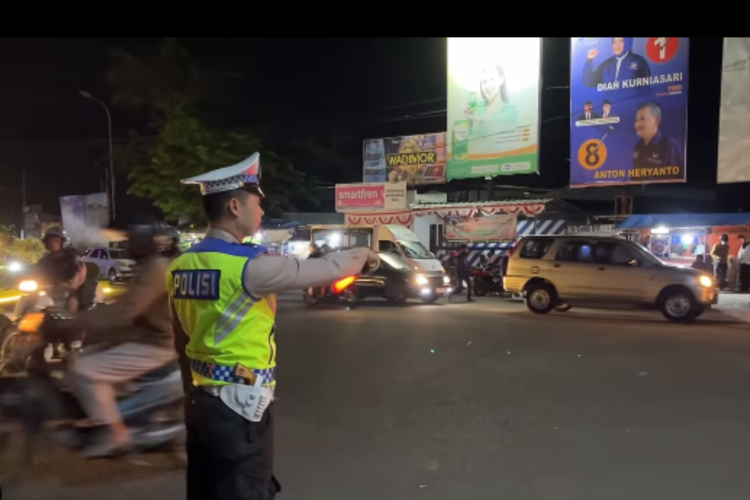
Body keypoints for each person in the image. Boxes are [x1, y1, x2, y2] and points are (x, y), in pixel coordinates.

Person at [167, 152, 379, 500]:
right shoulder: (250, 266)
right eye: (257, 203)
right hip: (240, 404)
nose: (262, 212)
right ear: (235, 207)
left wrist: (191, 391)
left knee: (204, 489)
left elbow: (180, 339)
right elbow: (328, 269)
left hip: (200, 401)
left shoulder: (180, 265)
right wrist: (364, 255)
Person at [66, 222, 180, 458]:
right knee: (85, 354)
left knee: (83, 369)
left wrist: (76, 320)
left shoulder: (155, 270)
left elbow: (126, 311)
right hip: (145, 336)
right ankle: (111, 412)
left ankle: (114, 432)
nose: (125, 246)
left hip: (156, 343)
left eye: (129, 242)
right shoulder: (148, 267)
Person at [632, 102, 685, 171]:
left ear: (657, 120)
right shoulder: (638, 146)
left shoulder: (670, 146)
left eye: (642, 119)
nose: (637, 124)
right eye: (636, 120)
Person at [583, 37, 651, 87]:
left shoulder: (639, 61)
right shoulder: (607, 65)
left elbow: (646, 87)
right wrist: (589, 60)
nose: (616, 45)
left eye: (621, 41)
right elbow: (589, 81)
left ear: (627, 42)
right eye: (614, 41)